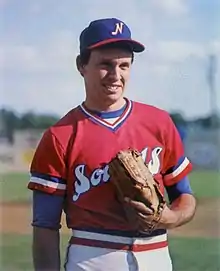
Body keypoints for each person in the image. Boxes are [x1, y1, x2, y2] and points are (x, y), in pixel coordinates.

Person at [27, 17, 196, 271]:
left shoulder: (159, 122)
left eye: (124, 65)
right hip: (93, 257)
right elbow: (44, 225)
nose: (116, 75)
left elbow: (185, 197)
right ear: (81, 65)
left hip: (157, 256)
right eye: (105, 65)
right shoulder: (60, 136)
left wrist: (168, 217)